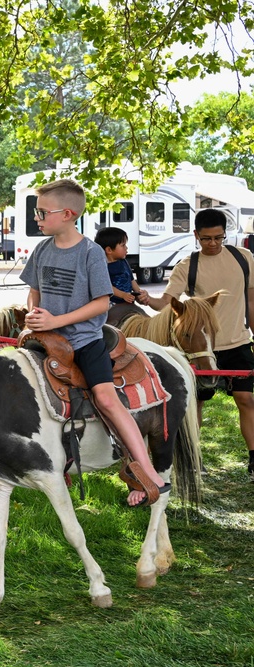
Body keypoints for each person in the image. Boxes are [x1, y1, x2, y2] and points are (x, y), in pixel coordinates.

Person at [21, 179, 168, 507]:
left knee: (105, 396)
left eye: (42, 212)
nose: (37, 217)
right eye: (37, 211)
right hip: (46, 339)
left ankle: (145, 471)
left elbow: (101, 304)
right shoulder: (42, 249)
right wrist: (34, 312)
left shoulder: (89, 252)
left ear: (68, 214)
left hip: (84, 340)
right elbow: (34, 289)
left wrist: (55, 321)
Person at [147, 208, 254, 482]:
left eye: (219, 237)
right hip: (201, 349)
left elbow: (251, 301)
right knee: (195, 405)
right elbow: (167, 302)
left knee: (246, 400)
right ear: (196, 235)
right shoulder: (187, 265)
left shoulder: (244, 258)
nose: (213, 244)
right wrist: (143, 298)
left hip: (237, 342)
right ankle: (193, 459)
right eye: (207, 238)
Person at [94, 227, 150, 325]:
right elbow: (106, 286)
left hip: (127, 301)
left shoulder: (123, 262)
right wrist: (122, 295)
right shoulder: (102, 266)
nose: (126, 248)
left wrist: (139, 293)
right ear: (109, 250)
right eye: (123, 245)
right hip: (112, 303)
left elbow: (131, 280)